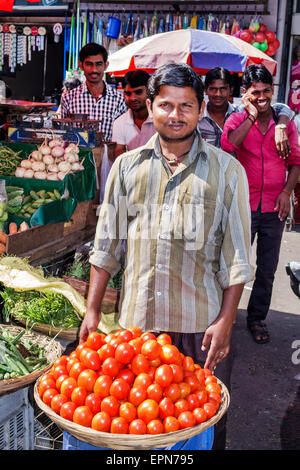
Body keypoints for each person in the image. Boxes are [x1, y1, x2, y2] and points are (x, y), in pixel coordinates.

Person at [79, 62, 253, 449]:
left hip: (198, 329)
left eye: (186, 106)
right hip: (138, 328)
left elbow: (238, 258)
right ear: (152, 107)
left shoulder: (227, 172)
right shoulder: (126, 168)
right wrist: (92, 309)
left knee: (198, 427)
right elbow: (106, 245)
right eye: (166, 105)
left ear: (201, 108)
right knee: (136, 430)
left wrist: (226, 321)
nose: (175, 115)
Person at [221, 64, 300, 344]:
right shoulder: (237, 119)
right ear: (245, 94)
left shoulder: (286, 123)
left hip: (274, 208)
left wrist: (286, 192)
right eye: (256, 92)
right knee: (234, 264)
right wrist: (252, 117)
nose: (262, 96)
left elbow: (295, 163)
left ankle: (256, 318)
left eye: (267, 91)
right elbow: (229, 147)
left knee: (267, 268)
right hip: (242, 205)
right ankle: (224, 318)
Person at [198, 66, 294, 158]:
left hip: (233, 173)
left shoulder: (238, 113)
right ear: (206, 90)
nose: (218, 94)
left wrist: (281, 125)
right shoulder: (198, 118)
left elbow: (280, 108)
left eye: (223, 89)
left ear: (231, 90)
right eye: (213, 89)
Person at [59, 42, 127, 142]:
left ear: (106, 65)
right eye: (89, 64)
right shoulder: (68, 98)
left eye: (98, 64)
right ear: (81, 65)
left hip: (108, 156)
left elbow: (122, 137)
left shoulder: (119, 100)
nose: (94, 70)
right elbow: (64, 133)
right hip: (78, 155)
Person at [112, 70, 155, 159]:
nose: (133, 98)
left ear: (149, 91)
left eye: (138, 92)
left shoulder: (160, 119)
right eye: (128, 93)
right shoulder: (120, 123)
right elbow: (119, 157)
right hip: (131, 171)